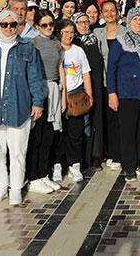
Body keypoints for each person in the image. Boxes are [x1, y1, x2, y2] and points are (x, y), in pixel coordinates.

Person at [0, 11, 46, 206]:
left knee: (18, 151)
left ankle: (15, 188)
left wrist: (38, 102)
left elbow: (35, 77)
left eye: (13, 24)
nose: (9, 28)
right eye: (4, 24)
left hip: (19, 107)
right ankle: (1, 186)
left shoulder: (27, 48)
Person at [107, 8, 140, 181]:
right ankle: (128, 167)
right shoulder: (120, 41)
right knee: (128, 132)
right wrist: (112, 93)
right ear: (128, 22)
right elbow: (111, 69)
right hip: (127, 93)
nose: (138, 22)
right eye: (135, 19)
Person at [27, 9, 67, 194]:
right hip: (39, 91)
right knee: (37, 137)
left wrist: (63, 96)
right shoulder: (32, 43)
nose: (49, 27)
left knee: (49, 136)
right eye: (44, 24)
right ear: (36, 26)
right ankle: (33, 177)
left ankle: (44, 175)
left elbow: (61, 69)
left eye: (51, 24)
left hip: (54, 90)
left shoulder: (57, 44)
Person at [54, 19, 93, 183]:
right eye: (65, 32)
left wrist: (89, 95)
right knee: (58, 134)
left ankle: (74, 165)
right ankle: (57, 165)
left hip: (76, 96)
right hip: (58, 93)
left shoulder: (78, 51)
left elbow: (85, 73)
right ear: (59, 33)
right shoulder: (55, 49)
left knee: (75, 133)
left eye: (71, 32)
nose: (69, 35)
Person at [93, 0, 124, 170]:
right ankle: (110, 153)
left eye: (113, 10)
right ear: (102, 13)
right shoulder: (97, 32)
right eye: (106, 11)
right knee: (107, 120)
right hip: (103, 83)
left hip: (122, 82)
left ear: (118, 12)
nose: (110, 13)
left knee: (120, 119)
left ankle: (119, 154)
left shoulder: (126, 32)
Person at [74, 12, 105, 168]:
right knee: (83, 122)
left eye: (86, 22)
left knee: (96, 120)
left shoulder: (95, 40)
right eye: (79, 22)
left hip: (97, 86)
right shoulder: (74, 42)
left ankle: (96, 155)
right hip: (81, 88)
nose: (84, 25)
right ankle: (82, 158)